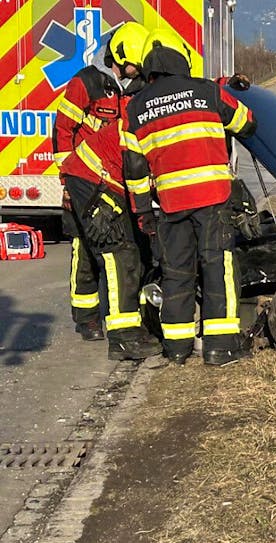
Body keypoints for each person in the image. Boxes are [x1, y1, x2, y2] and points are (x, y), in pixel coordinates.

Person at [123, 28, 256, 366]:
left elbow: (135, 169)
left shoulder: (135, 108)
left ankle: (178, 348)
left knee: (176, 273)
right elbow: (246, 123)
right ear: (182, 65)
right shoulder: (207, 91)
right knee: (218, 266)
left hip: (170, 205)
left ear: (150, 73)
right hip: (213, 197)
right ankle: (220, 346)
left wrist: (143, 211)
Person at [52, 22, 149, 342]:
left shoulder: (128, 87)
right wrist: (66, 178)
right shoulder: (86, 82)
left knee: (118, 247)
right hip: (85, 179)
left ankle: (122, 312)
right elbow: (63, 129)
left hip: (113, 180)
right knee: (85, 247)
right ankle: (87, 318)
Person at [59, 116, 162, 360]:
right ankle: (123, 338)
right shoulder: (155, 119)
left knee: (93, 246)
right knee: (120, 252)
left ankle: (88, 319)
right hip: (94, 177)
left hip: (99, 175)